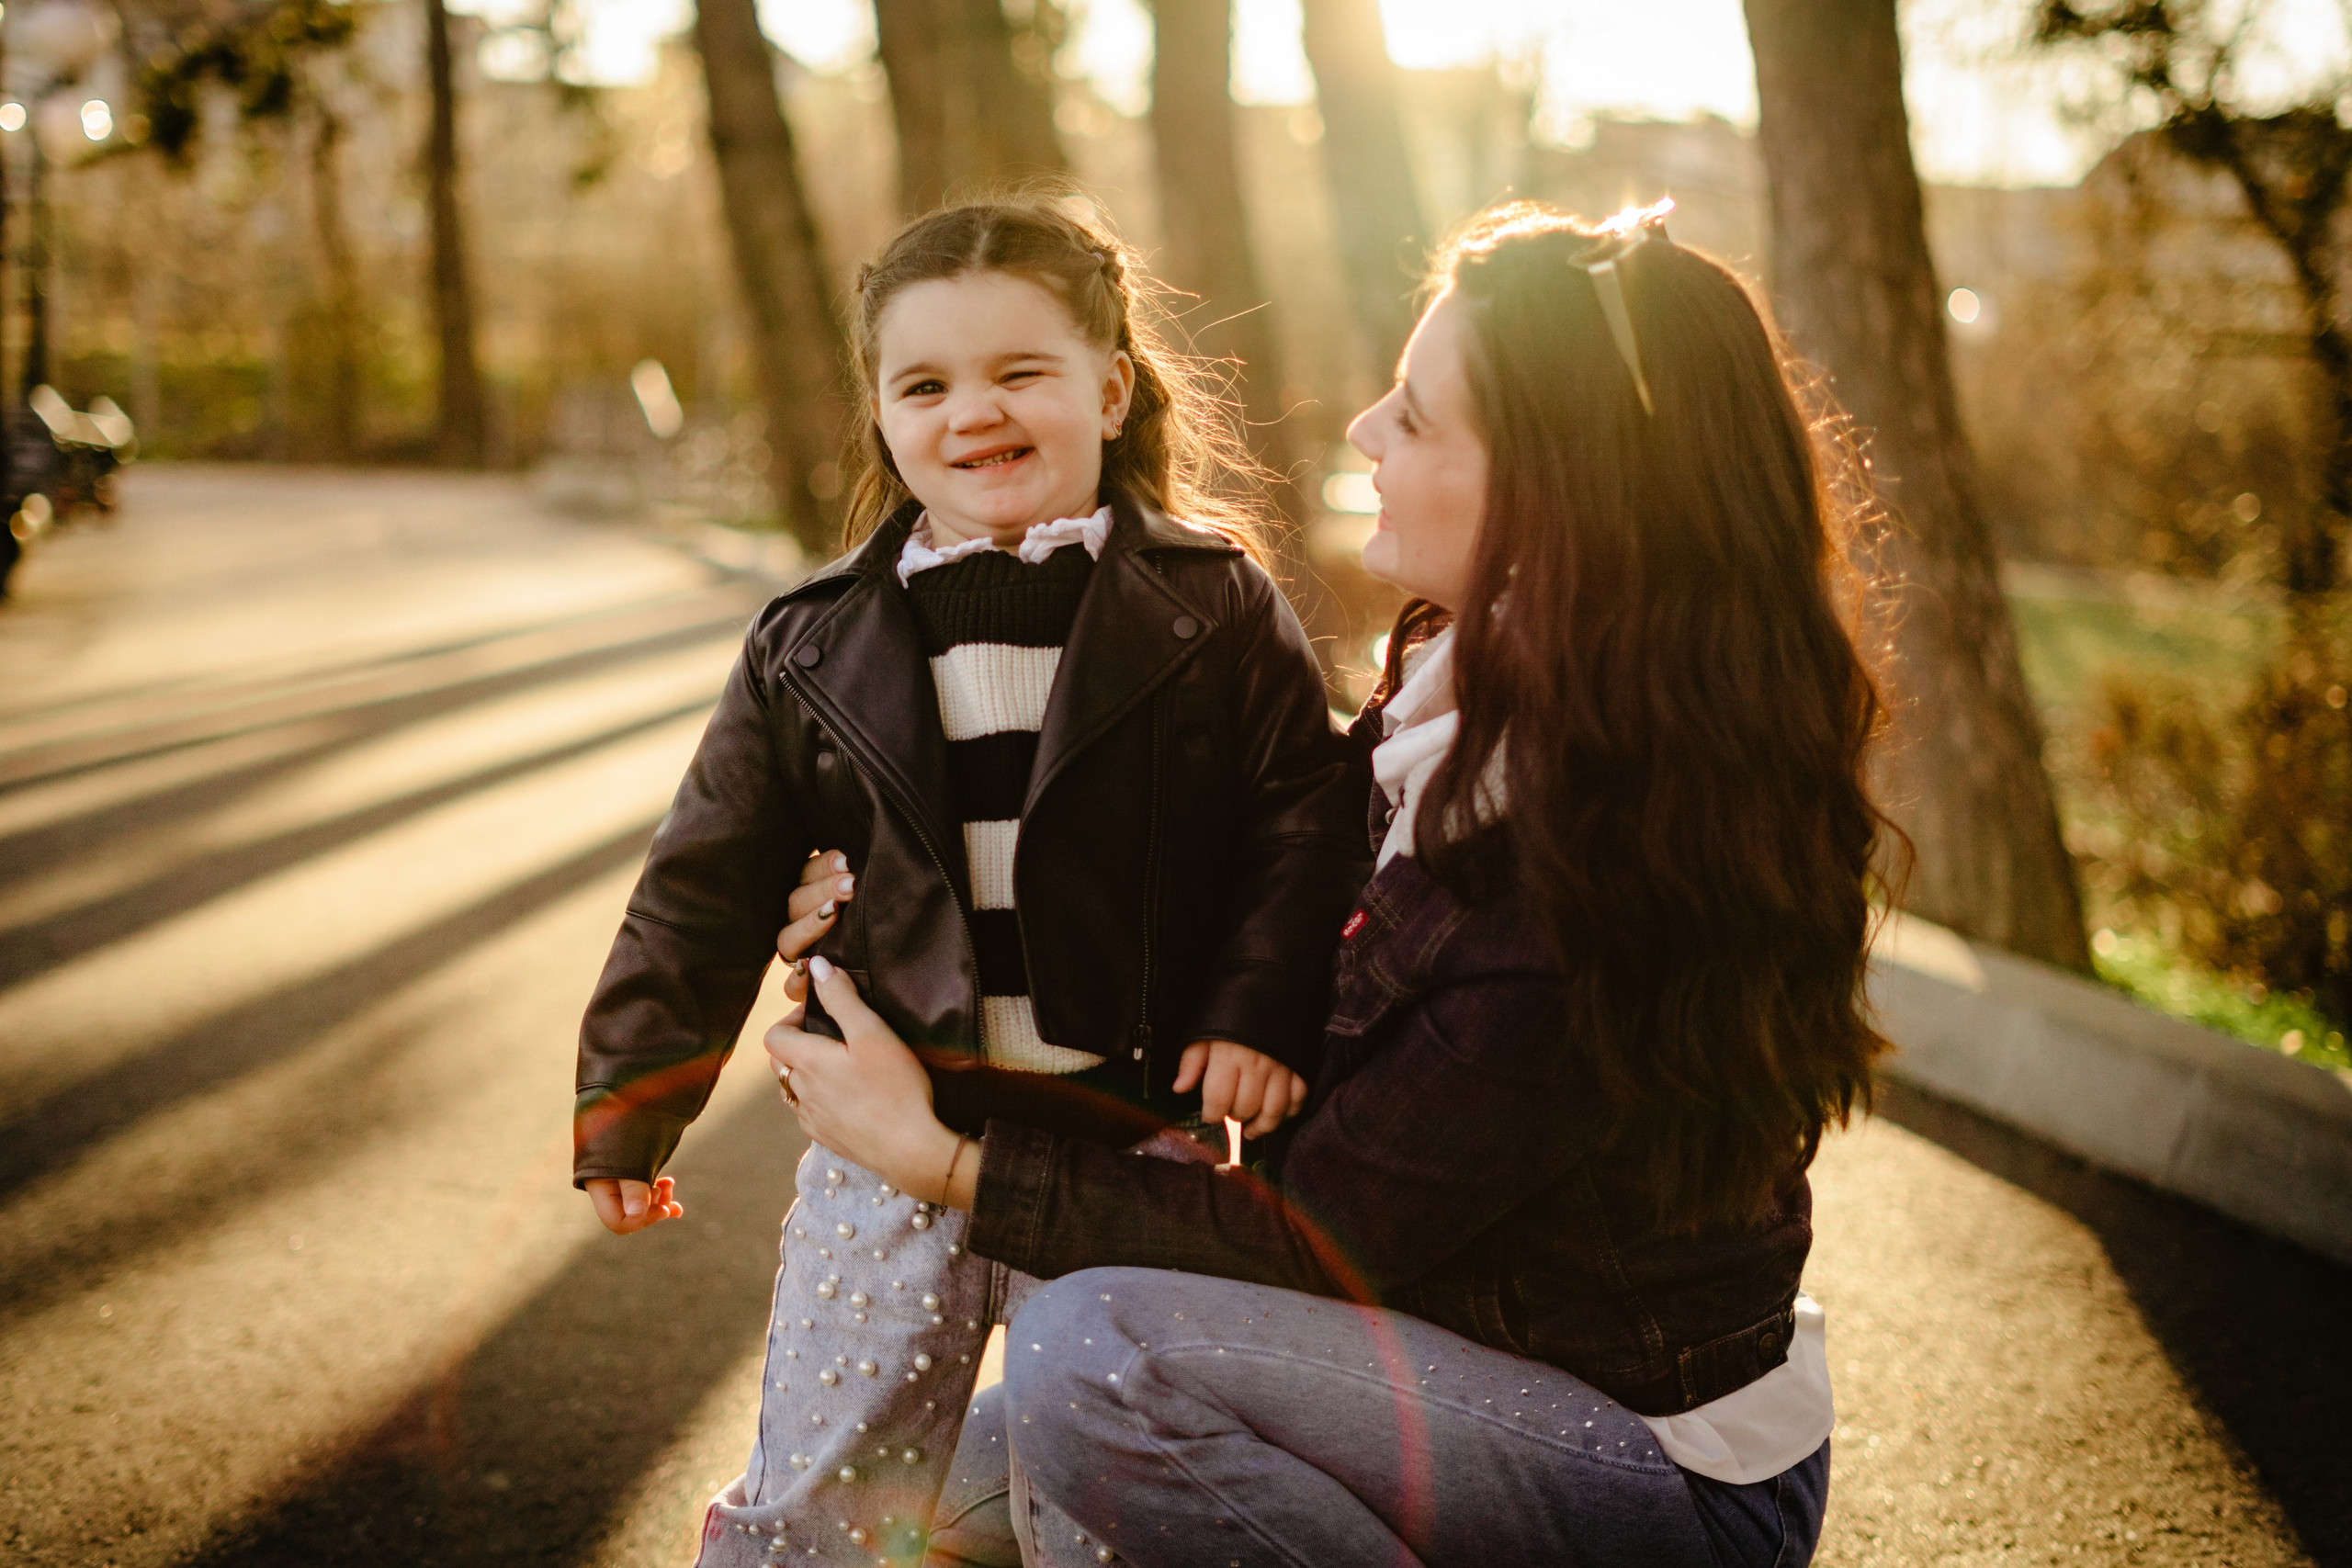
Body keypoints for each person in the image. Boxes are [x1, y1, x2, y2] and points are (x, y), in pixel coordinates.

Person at [764, 198, 1898, 1568]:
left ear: (1559, 488)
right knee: (928, 1497)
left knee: (1101, 1365)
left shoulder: (1597, 853)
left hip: (1644, 1466)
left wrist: (944, 1162)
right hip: (1434, 1359)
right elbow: (1237, 884)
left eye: (1415, 418)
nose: (1364, 430)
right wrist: (905, 899)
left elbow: (1320, 1238)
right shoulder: (1459, 698)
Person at [569, 197, 1371, 1566]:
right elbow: (702, 879)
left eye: (1020, 374)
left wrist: (1253, 1010)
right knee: (823, 1496)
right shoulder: (811, 640)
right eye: (925, 384)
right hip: (887, 1153)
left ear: (1110, 389)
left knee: (1096, 1514)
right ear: (879, 412)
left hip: (1129, 1153)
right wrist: (628, 1099)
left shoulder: (1214, 603)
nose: (973, 414)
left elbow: (1306, 821)